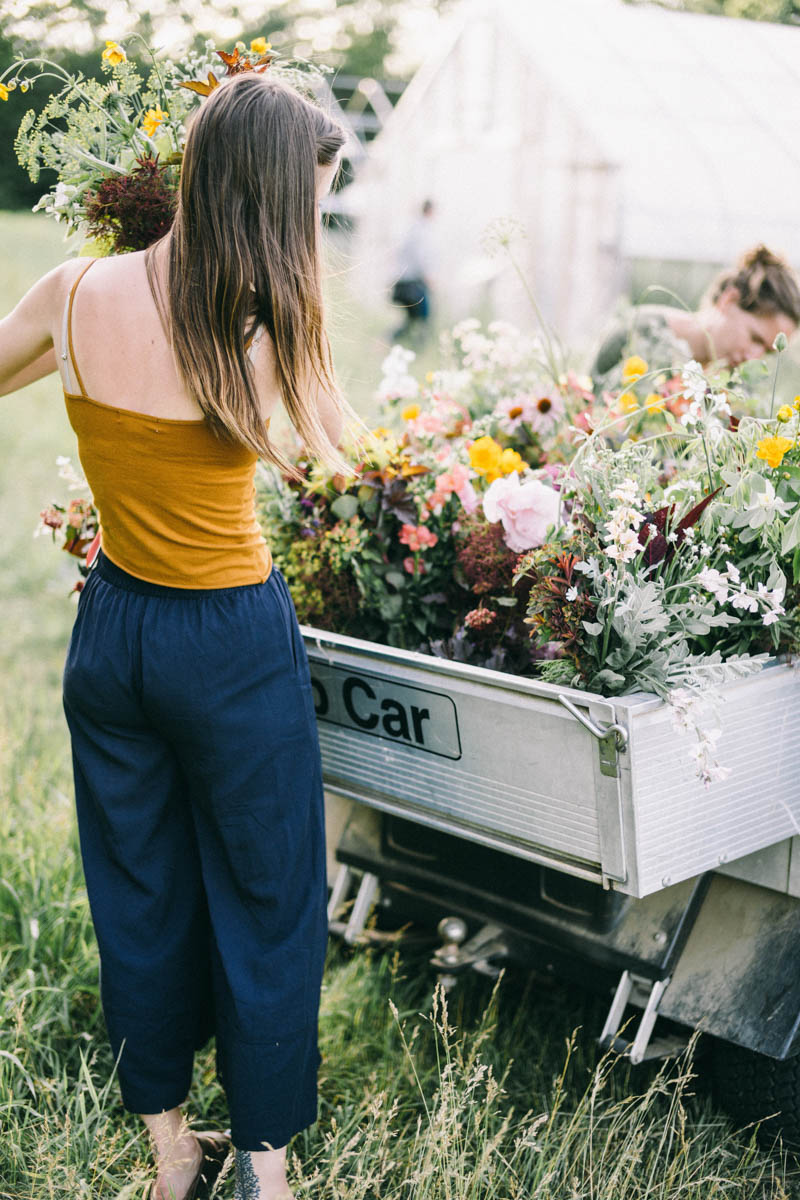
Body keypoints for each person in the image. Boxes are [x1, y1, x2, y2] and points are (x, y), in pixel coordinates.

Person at [0, 72, 355, 1200]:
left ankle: (167, 1146)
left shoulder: (70, 291)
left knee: (138, 888)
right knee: (268, 891)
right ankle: (260, 1162)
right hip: (229, 644)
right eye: (314, 203)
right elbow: (337, 458)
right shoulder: (265, 328)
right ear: (270, 200)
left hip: (112, 638)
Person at [592, 245, 800, 390]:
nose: (753, 358)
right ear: (729, 300)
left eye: (766, 352)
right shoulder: (637, 334)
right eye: (755, 338)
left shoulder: (734, 387)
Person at [390, 198, 437, 343]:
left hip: (403, 281)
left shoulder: (412, 227)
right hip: (412, 282)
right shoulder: (422, 230)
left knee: (411, 320)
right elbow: (420, 257)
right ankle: (417, 347)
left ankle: (389, 341)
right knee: (424, 318)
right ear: (429, 211)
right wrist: (428, 277)